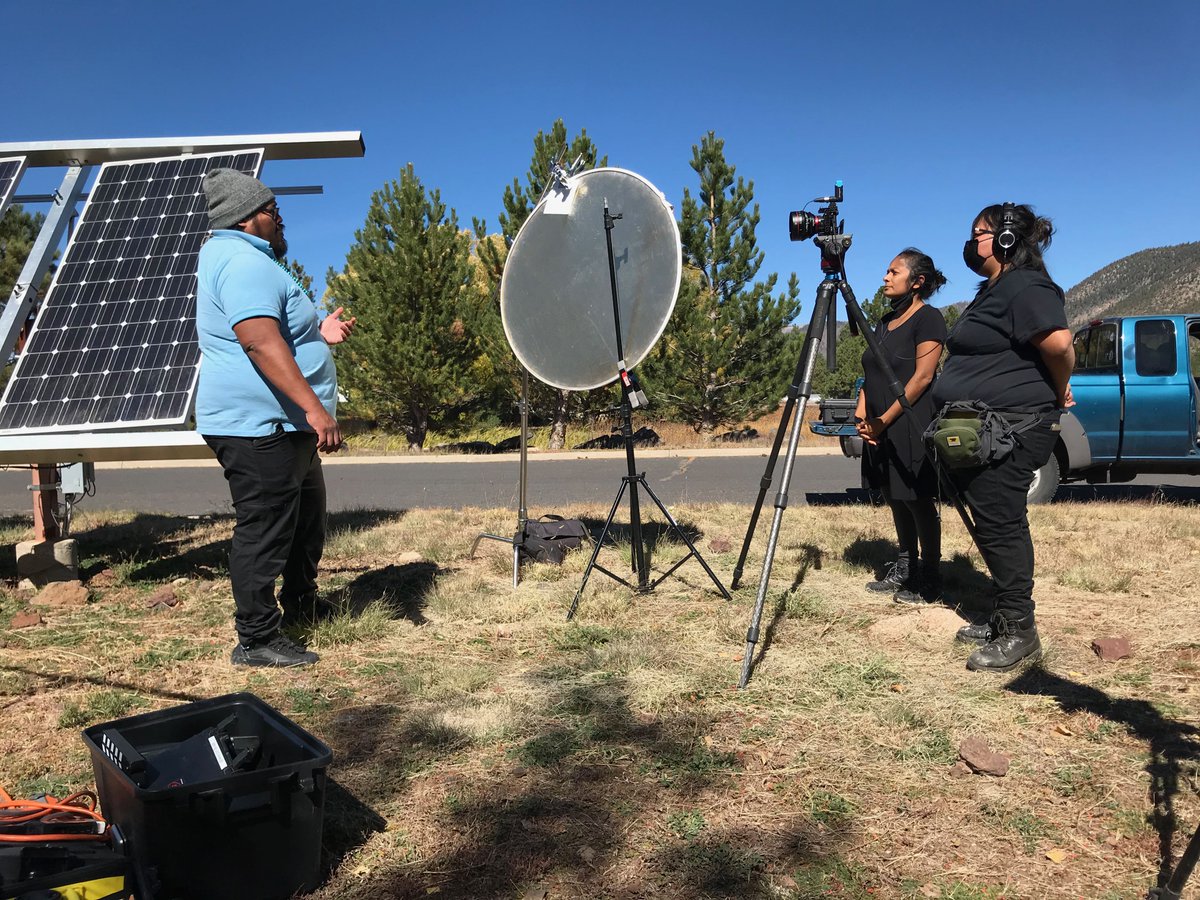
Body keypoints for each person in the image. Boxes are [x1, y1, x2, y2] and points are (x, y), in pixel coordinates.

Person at [196, 168, 356, 668]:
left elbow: (278, 333)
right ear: (246, 219)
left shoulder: (247, 259)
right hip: (259, 425)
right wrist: (313, 408)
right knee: (264, 528)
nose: (280, 220)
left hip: (282, 425)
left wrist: (319, 334)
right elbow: (259, 342)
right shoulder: (242, 263)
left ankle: (301, 603)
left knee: (306, 520)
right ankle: (257, 638)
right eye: (272, 212)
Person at [932, 203, 1074, 673]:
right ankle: (1004, 613)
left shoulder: (1026, 284)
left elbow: (1058, 344)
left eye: (979, 234)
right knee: (995, 517)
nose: (971, 243)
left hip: (1016, 423)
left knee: (1000, 519)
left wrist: (1059, 387)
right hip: (988, 423)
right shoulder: (995, 288)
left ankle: (1020, 629)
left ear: (1008, 239)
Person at [856, 249, 948, 604]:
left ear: (917, 281)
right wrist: (863, 411)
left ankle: (931, 576)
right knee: (894, 497)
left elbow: (923, 378)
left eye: (893, 272)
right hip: (878, 424)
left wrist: (884, 419)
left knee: (918, 500)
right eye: (886, 271)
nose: (885, 277)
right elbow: (871, 371)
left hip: (910, 421)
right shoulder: (884, 321)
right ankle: (906, 565)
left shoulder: (929, 319)